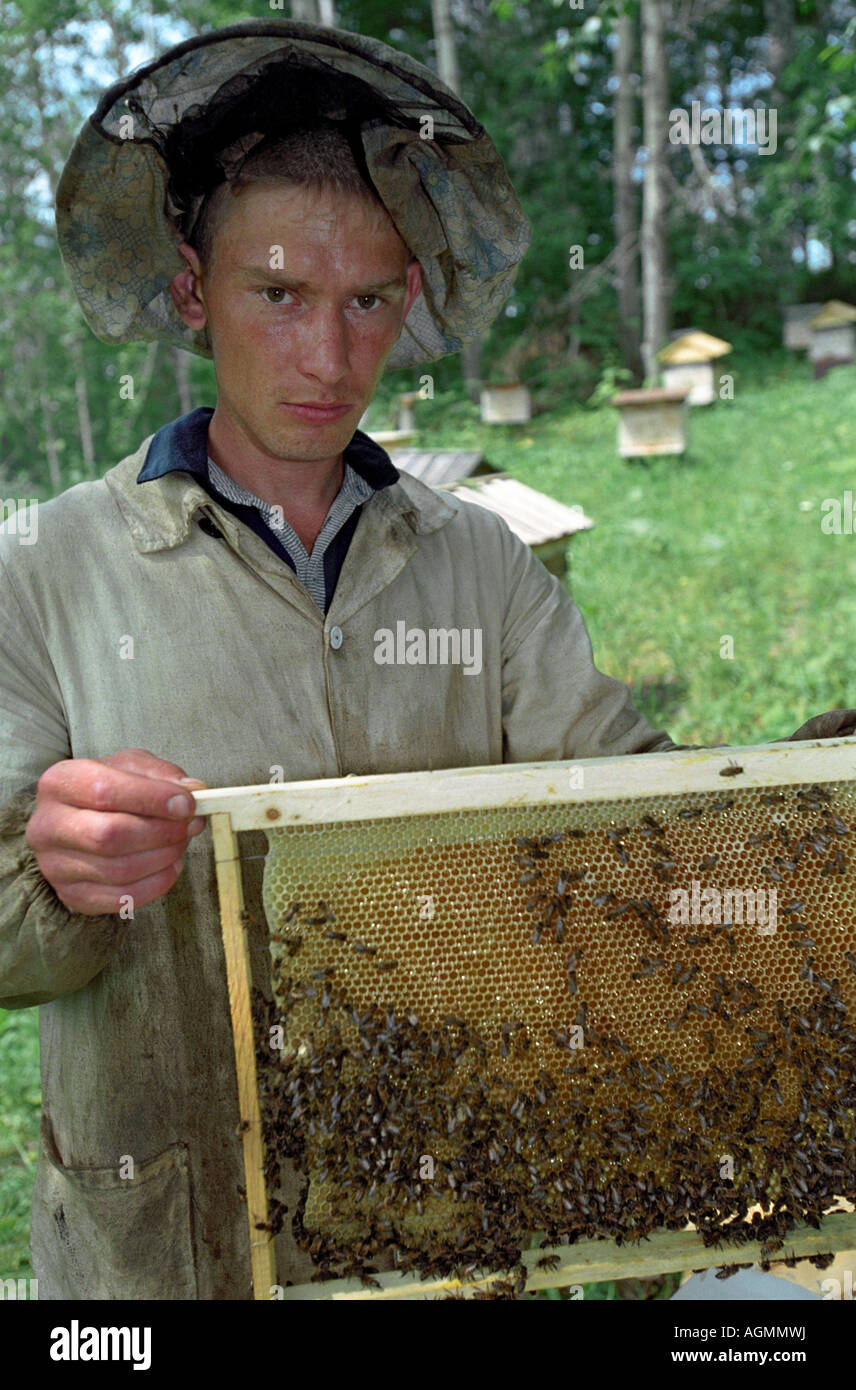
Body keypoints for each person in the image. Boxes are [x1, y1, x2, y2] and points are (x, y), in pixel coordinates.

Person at [0, 18, 852, 1301]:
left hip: (446, 1236)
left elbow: (647, 837)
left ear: (412, 295)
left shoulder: (485, 568)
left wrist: (811, 807)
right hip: (168, 1265)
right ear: (191, 290)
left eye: (367, 302)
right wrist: (64, 879)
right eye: (277, 295)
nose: (328, 358)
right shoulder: (43, 569)